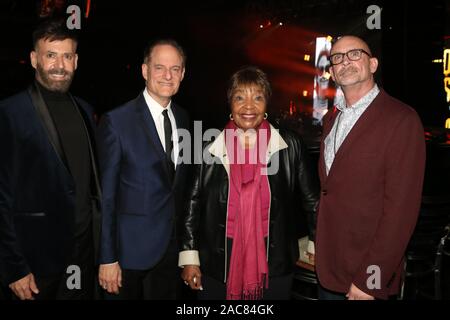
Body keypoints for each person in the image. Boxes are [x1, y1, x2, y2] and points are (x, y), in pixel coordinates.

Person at [179, 66, 319, 300]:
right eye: (240, 97)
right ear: (230, 104)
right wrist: (189, 258)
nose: (249, 106)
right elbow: (192, 204)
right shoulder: (208, 146)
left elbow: (311, 199)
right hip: (217, 260)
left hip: (273, 260)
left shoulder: (290, 144)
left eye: (258, 97)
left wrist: (316, 244)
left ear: (267, 104)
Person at [315, 35, 426, 300]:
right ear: (331, 71)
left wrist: (370, 279)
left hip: (366, 277)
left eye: (355, 54)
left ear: (373, 64)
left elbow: (401, 213)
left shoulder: (402, 119)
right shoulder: (333, 119)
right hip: (331, 268)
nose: (345, 62)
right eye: (338, 57)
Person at [0, 18, 101, 300]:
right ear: (34, 59)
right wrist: (14, 266)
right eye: (51, 55)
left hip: (81, 255)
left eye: (67, 56)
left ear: (76, 61)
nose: (60, 65)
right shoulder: (10, 113)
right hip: (33, 262)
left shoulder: (86, 110)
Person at [97, 39, 190, 300]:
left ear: (183, 74)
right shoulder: (117, 121)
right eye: (159, 67)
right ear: (144, 71)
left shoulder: (184, 119)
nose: (167, 75)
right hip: (127, 257)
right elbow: (106, 197)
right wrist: (107, 258)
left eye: (175, 69)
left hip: (169, 255)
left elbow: (179, 188)